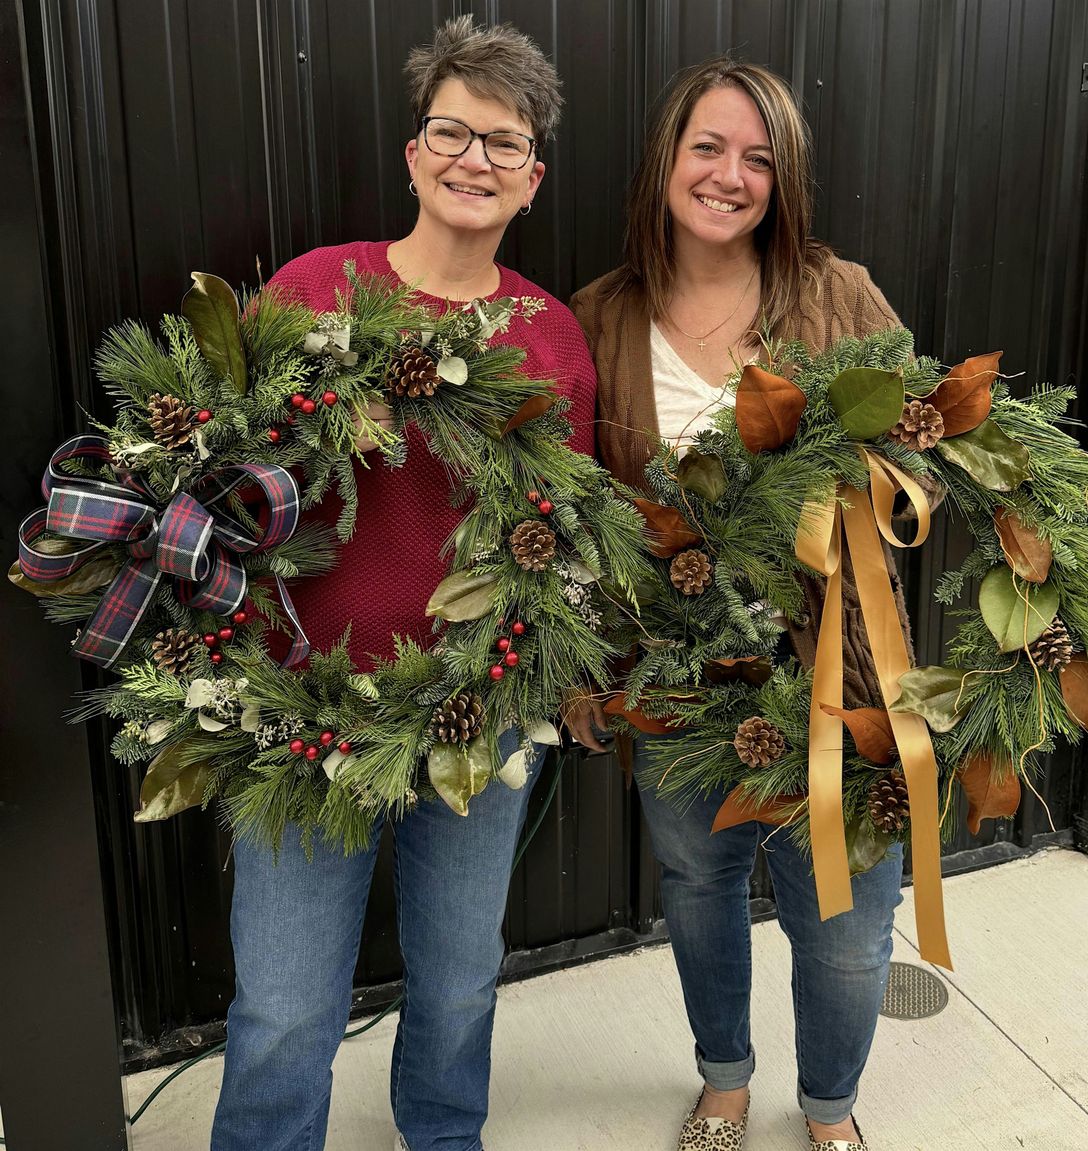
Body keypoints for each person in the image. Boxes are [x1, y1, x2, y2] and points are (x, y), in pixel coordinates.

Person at [210, 17, 596, 1151]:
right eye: (453, 130)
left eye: (504, 142)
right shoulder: (313, 290)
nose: (475, 158)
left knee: (463, 973)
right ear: (414, 153)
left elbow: (569, 531)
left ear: (533, 179)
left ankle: (443, 1134)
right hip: (305, 717)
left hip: (481, 716)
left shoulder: (548, 336)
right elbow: (222, 479)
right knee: (283, 1000)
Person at [568, 58, 916, 1151]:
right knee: (699, 881)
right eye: (708, 148)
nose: (731, 176)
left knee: (849, 928)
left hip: (837, 673)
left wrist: (848, 491)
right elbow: (573, 516)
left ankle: (829, 1109)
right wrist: (586, 667)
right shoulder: (600, 318)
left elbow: (924, 455)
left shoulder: (837, 292)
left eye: (759, 159)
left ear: (785, 179)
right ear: (665, 160)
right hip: (676, 683)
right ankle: (724, 1078)